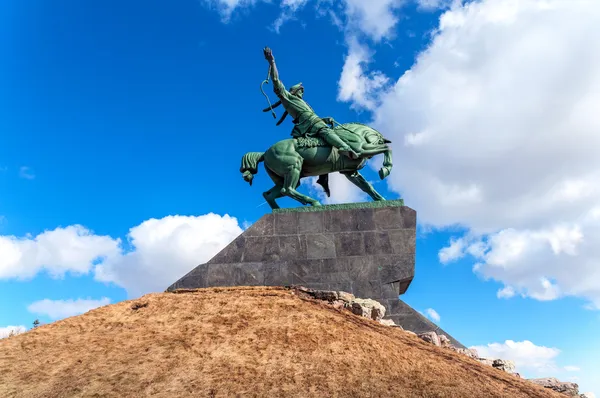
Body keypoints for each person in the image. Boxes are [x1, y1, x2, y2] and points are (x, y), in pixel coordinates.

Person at [263, 47, 359, 159]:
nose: (302, 92)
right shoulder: (288, 98)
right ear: (294, 91)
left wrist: (324, 120)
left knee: (325, 146)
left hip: (313, 123)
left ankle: (323, 175)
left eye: (302, 91)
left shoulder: (303, 103)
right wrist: (272, 62)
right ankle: (344, 147)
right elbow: (275, 80)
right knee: (326, 131)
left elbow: (312, 118)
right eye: (300, 90)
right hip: (310, 125)